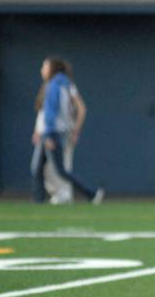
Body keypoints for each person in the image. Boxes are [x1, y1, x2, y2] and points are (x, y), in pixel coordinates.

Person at [31, 57, 104, 205]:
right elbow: (78, 109)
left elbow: (51, 112)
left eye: (44, 66)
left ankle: (90, 193)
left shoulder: (55, 85)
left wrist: (47, 133)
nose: (42, 70)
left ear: (52, 68)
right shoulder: (66, 84)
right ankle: (39, 200)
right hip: (53, 131)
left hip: (52, 132)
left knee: (60, 170)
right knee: (37, 168)